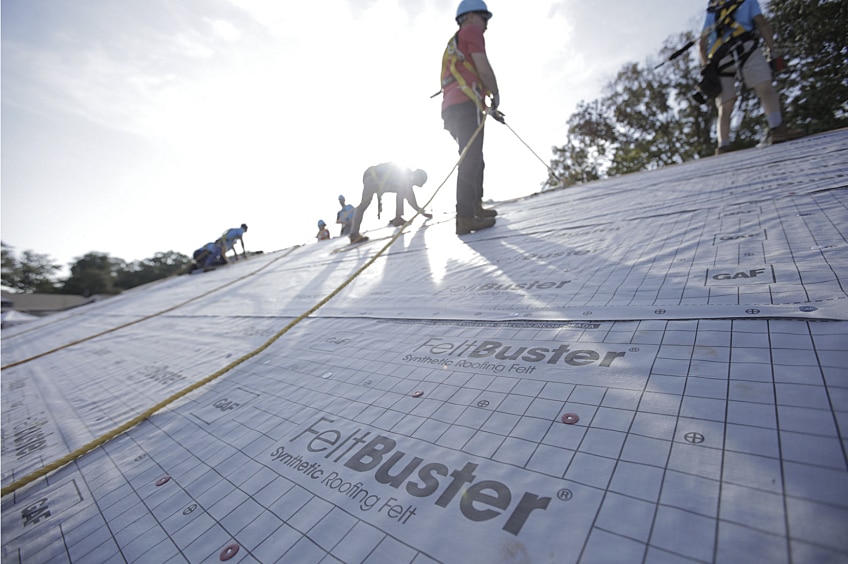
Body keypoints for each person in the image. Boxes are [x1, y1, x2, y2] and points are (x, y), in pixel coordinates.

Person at [699, 0, 802, 154]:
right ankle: (777, 129)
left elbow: (702, 43)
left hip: (720, 59)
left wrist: (706, 67)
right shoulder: (748, 1)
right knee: (765, 88)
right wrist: (772, 50)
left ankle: (723, 146)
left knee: (725, 105)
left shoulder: (713, 10)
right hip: (746, 48)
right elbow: (762, 23)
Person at [440, 0, 499, 235]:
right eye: (485, 19)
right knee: (471, 157)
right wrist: (495, 92)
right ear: (472, 16)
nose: (486, 25)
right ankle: (465, 216)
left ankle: (475, 207)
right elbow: (482, 67)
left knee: (474, 156)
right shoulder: (471, 31)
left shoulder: (454, 42)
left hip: (452, 107)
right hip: (465, 104)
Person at [347, 163, 433, 244]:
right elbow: (411, 198)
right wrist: (422, 212)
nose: (414, 184)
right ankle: (354, 234)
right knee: (364, 205)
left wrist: (422, 212)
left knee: (401, 190)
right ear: (418, 177)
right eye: (417, 183)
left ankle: (398, 218)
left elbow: (410, 197)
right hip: (373, 177)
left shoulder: (406, 177)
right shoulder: (407, 175)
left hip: (374, 178)